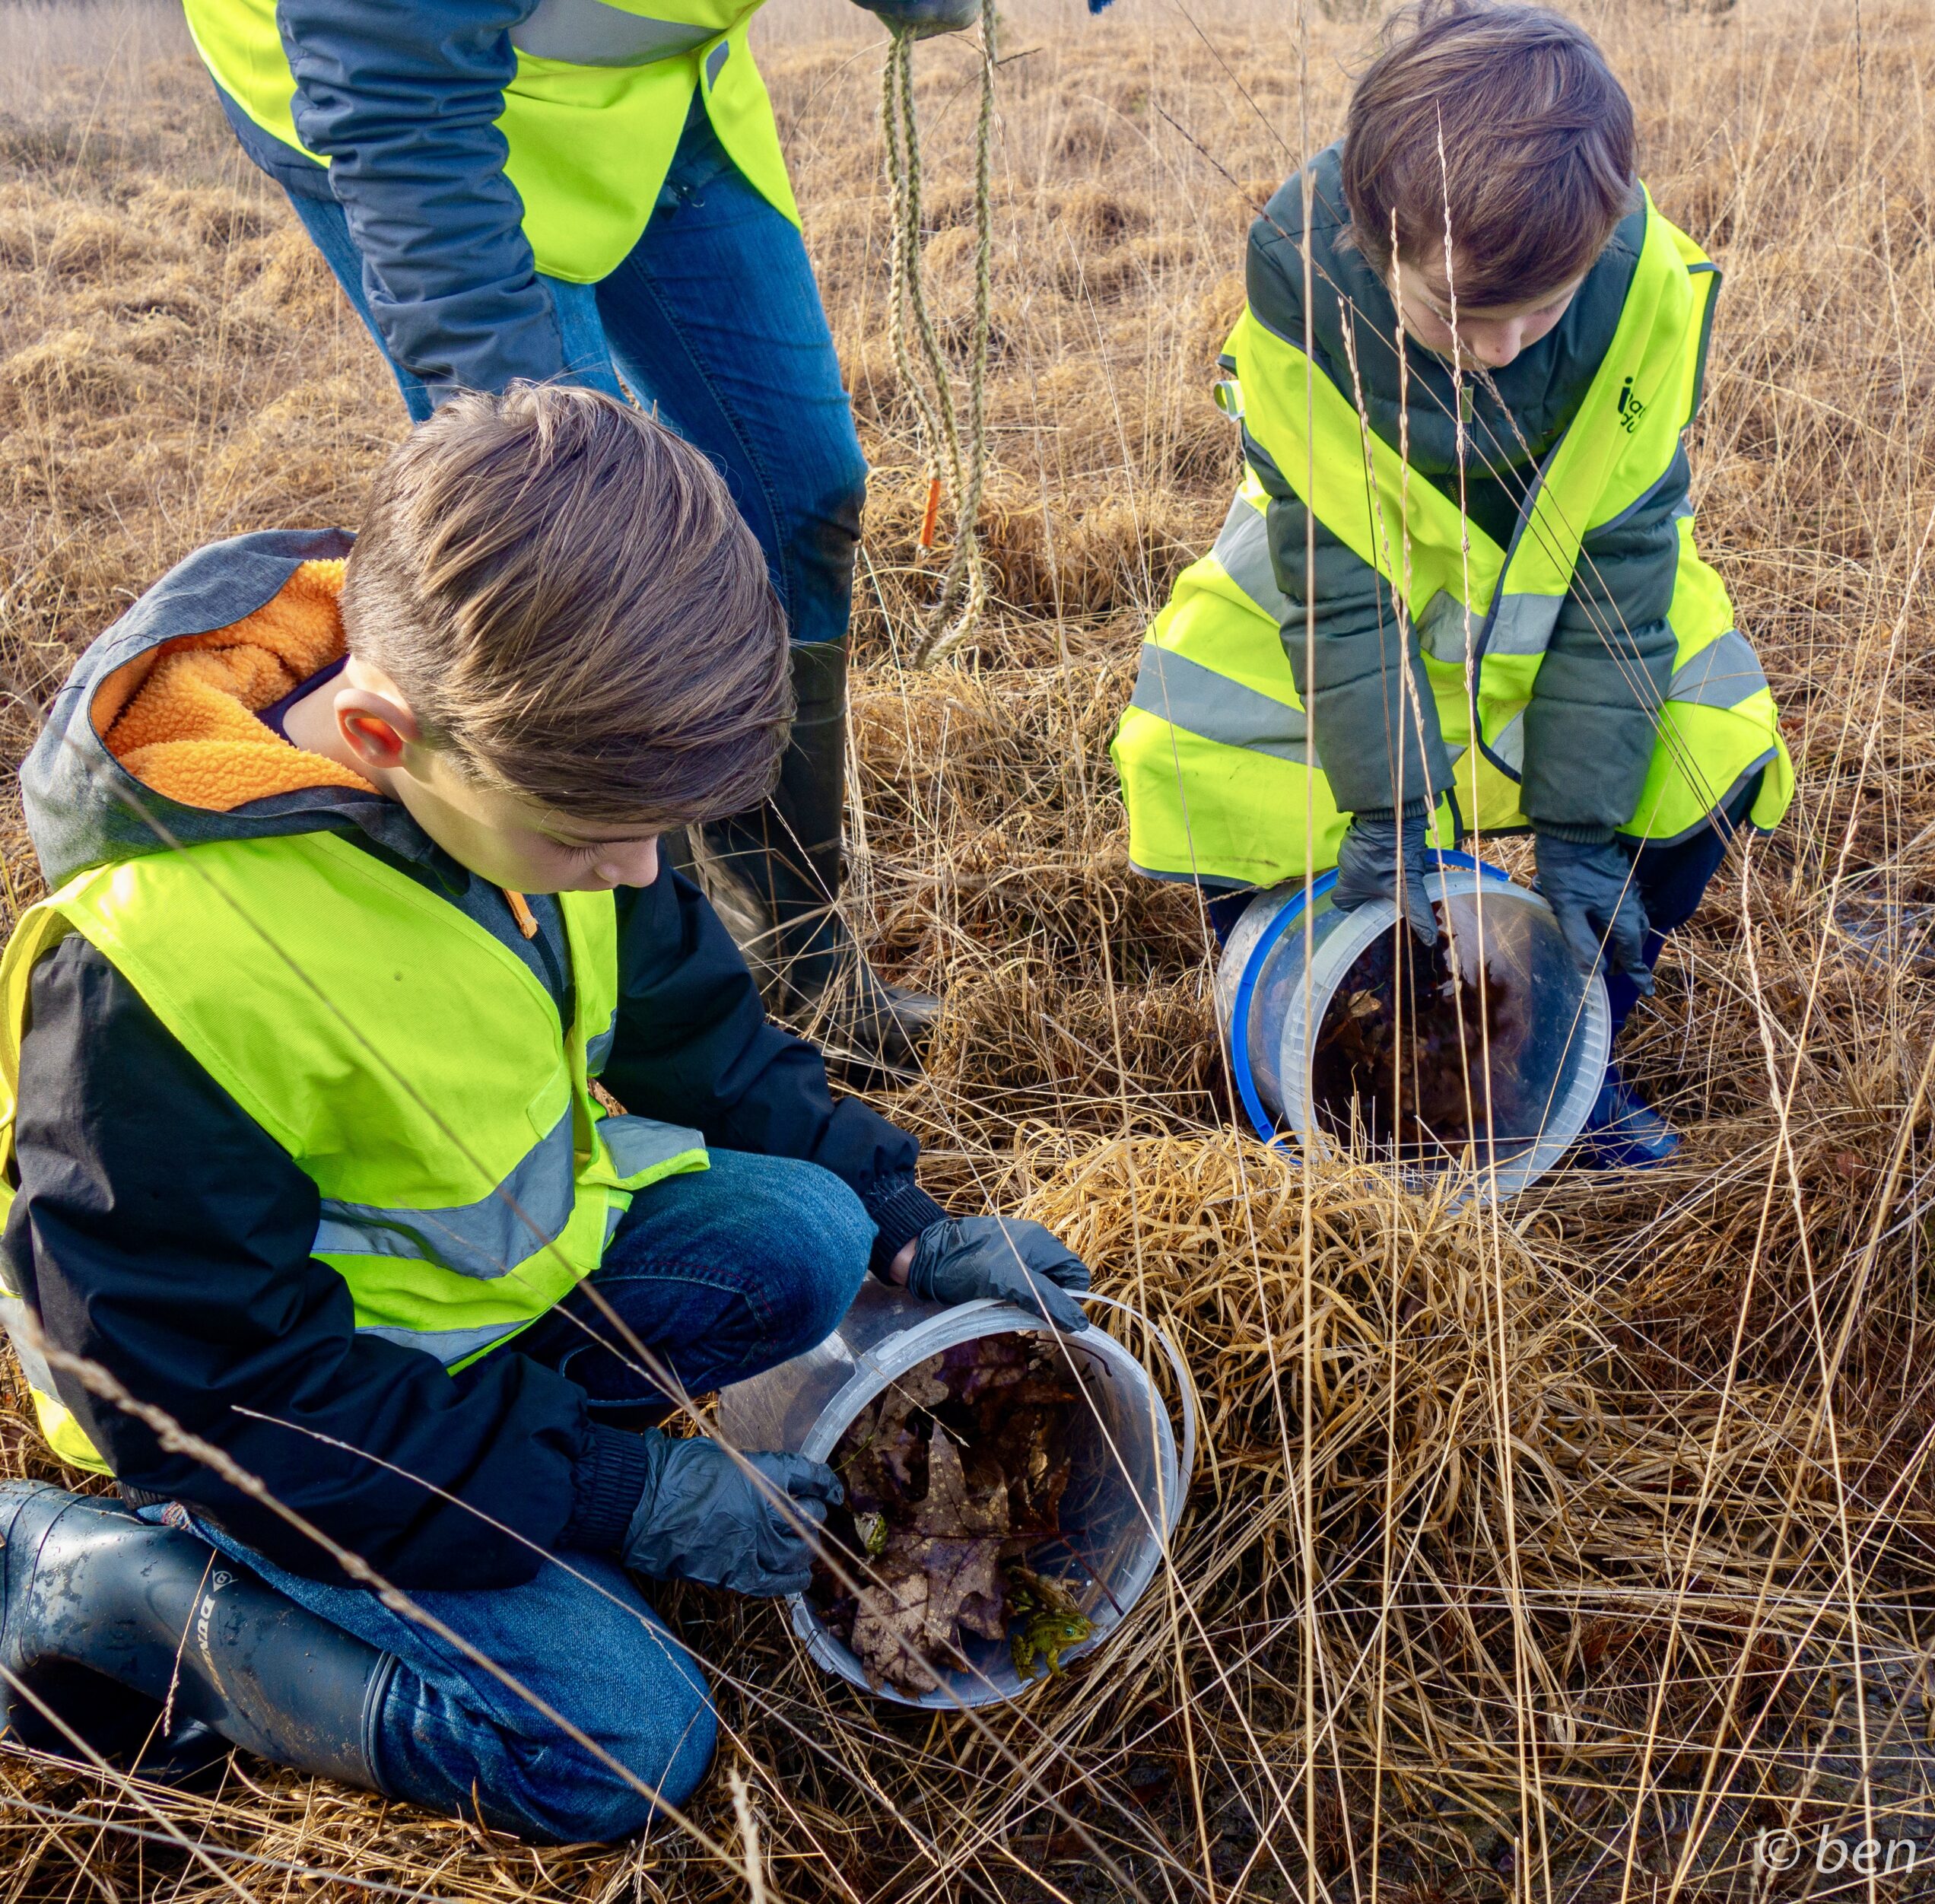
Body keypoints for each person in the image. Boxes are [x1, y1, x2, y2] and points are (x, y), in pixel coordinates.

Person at [0, 386, 1094, 1842]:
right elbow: (218, 1398)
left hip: (473, 1331)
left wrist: (912, 1224)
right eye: (594, 841)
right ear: (381, 733)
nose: (639, 876)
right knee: (626, 1744)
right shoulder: (153, 979)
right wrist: (623, 1493)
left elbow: (699, 1032)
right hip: (273, 1432)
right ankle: (123, 1593)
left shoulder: (530, 759)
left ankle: (518, 1483)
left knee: (813, 1235)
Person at [179, 0, 993, 1070]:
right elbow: (387, 57)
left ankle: (794, 961)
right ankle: (654, 1032)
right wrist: (527, 448)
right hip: (414, 106)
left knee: (804, 488)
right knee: (581, 598)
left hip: (661, 102)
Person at [1112, 0, 1794, 1165]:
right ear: (1372, 242)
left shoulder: (1646, 292)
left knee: (1710, 737)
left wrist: (1581, 828)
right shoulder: (1303, 300)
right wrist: (1386, 811)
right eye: (1457, 312)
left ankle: (1560, 1052)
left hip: (1559, 637)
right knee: (1204, 741)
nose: (1501, 347)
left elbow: (1621, 570)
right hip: (1349, 639)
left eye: (1544, 309)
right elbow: (1339, 589)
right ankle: (1329, 1053)